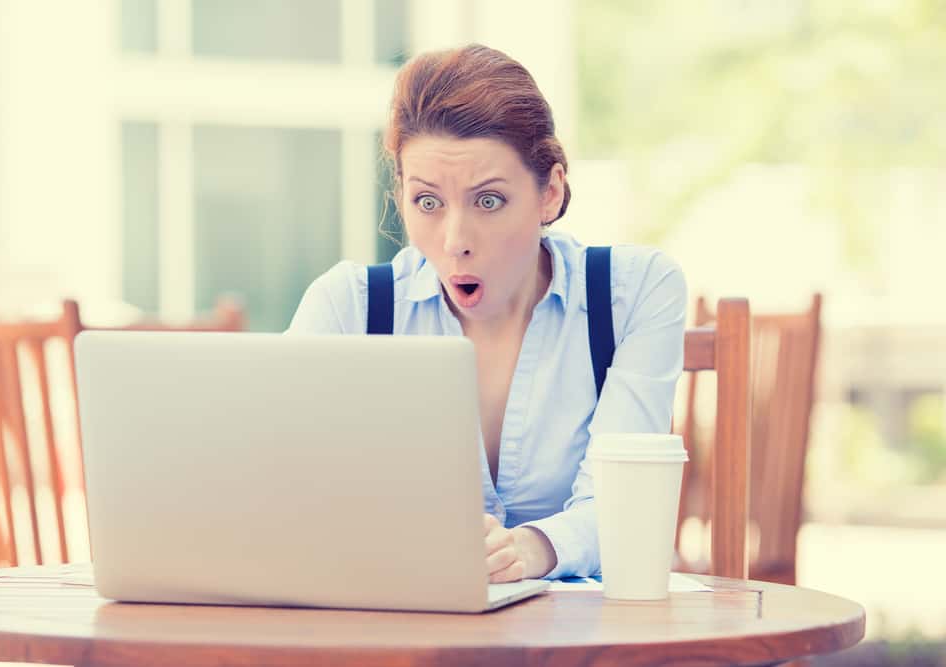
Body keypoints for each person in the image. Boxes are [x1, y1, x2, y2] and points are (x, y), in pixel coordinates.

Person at [287, 44, 686, 582]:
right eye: (428, 202)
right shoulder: (347, 308)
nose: (455, 242)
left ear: (550, 192)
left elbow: (625, 507)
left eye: (489, 201)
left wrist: (531, 550)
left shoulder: (634, 293)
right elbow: (286, 499)